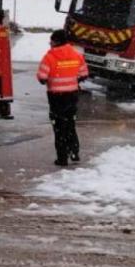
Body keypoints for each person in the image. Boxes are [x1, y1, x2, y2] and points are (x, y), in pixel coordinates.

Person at [37, 29, 89, 166]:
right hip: (72, 95)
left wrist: (49, 80)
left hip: (56, 97)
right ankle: (74, 152)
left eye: (52, 41)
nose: (50, 43)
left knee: (59, 127)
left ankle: (62, 158)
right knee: (70, 124)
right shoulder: (76, 55)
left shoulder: (49, 57)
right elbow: (84, 74)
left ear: (57, 41)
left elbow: (42, 77)